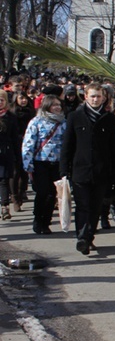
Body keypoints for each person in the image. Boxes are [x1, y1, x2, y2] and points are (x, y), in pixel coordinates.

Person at [60, 82, 115, 255]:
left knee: (95, 206)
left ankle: (89, 236)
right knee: (83, 205)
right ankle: (82, 237)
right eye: (92, 96)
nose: (95, 99)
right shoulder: (74, 116)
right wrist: (64, 170)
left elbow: (114, 148)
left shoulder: (110, 119)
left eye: (98, 96)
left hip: (101, 171)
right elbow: (67, 145)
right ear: (85, 96)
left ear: (104, 98)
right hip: (80, 170)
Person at [21, 95, 67, 234]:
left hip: (57, 163)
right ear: (47, 106)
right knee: (42, 192)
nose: (57, 107)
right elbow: (28, 143)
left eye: (59, 105)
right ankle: (38, 220)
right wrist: (27, 164)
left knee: (52, 194)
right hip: (40, 162)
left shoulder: (64, 123)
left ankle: (46, 222)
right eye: (54, 105)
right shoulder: (36, 122)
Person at [9, 92, 35, 211]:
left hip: (29, 145)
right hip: (16, 145)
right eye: (21, 98)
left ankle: (21, 193)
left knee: (25, 172)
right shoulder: (12, 114)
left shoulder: (31, 112)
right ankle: (14, 197)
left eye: (25, 98)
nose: (24, 100)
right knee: (15, 173)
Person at [0, 90, 21, 220]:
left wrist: (17, 156)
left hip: (5, 152)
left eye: (2, 100)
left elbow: (15, 138)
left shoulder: (11, 117)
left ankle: (4, 206)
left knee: (3, 180)